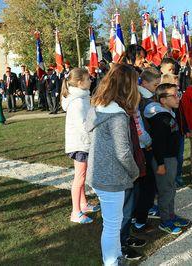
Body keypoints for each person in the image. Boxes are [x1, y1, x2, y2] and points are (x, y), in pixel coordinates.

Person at [86, 64, 140, 266]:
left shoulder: (97, 106)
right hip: (111, 176)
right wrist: (134, 172)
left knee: (113, 223)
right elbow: (123, 152)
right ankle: (111, 262)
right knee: (111, 225)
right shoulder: (117, 115)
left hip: (99, 173)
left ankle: (116, 257)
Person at [144, 83, 190, 235]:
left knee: (171, 188)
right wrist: (161, 164)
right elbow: (157, 143)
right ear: (163, 100)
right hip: (164, 160)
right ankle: (165, 221)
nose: (178, 98)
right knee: (165, 190)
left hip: (171, 158)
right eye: (174, 95)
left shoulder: (169, 113)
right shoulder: (160, 118)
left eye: (178, 94)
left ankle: (171, 215)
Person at [61, 67, 100, 224]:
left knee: (81, 177)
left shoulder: (82, 98)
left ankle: (83, 204)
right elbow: (83, 126)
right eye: (88, 79)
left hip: (81, 143)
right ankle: (75, 212)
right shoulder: (77, 102)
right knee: (80, 177)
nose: (91, 81)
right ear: (79, 82)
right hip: (80, 144)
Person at [131, 69, 160, 234]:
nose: (156, 88)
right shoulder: (138, 99)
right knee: (145, 185)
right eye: (155, 85)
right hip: (143, 147)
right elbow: (138, 126)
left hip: (142, 145)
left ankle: (142, 212)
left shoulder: (140, 96)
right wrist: (148, 141)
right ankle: (139, 219)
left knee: (144, 184)